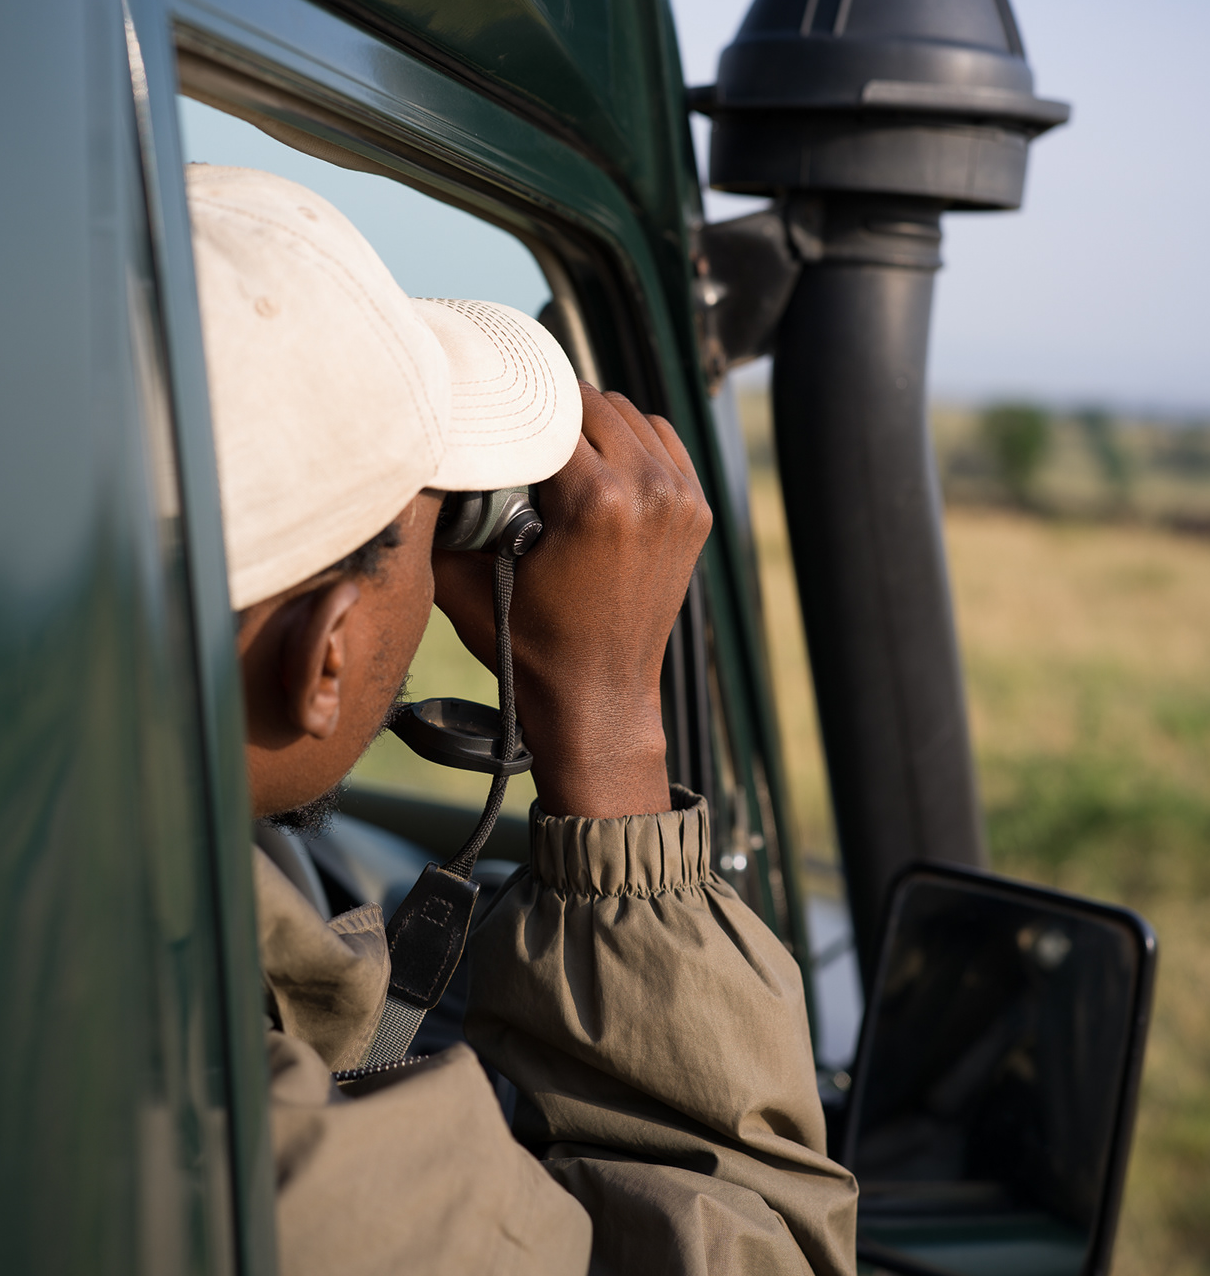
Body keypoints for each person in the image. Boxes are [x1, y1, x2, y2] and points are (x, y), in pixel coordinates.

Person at [190, 162, 858, 1275]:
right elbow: (762, 1249)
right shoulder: (284, 1171)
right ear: (327, 657)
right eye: (428, 524)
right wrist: (608, 737)